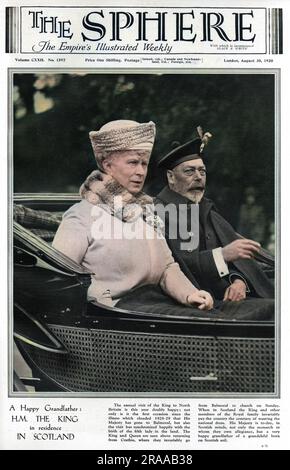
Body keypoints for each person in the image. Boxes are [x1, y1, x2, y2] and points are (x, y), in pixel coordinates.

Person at [53, 120, 214, 316]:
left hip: (157, 305)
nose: (141, 171)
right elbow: (58, 278)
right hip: (116, 317)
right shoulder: (82, 216)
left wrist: (190, 295)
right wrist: (99, 297)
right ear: (107, 165)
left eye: (144, 163)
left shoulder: (144, 212)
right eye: (132, 162)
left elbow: (166, 268)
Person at [155, 126, 274, 320]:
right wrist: (223, 254)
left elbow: (238, 261)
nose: (198, 177)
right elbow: (174, 266)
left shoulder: (206, 209)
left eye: (202, 171)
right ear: (171, 177)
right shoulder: (160, 212)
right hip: (191, 303)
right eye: (189, 171)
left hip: (225, 299)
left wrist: (239, 281)